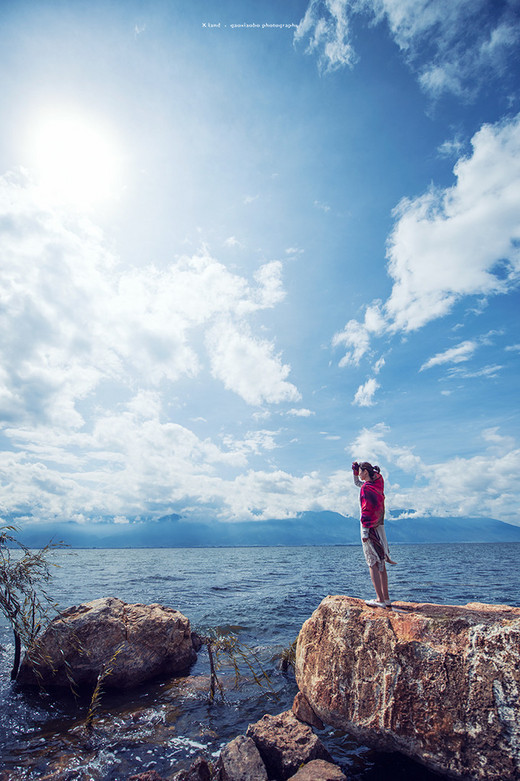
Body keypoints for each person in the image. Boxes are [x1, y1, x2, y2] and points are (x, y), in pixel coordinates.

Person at [352, 461, 396, 608]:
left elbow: (366, 509)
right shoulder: (378, 483)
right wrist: (355, 471)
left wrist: (364, 532)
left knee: (372, 562)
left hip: (369, 527)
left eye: (360, 471)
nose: (358, 473)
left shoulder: (366, 489)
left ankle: (380, 599)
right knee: (382, 561)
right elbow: (358, 483)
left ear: (365, 472)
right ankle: (387, 598)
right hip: (380, 527)